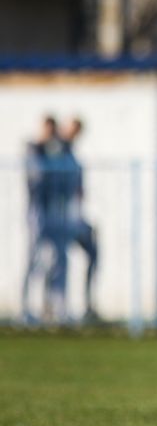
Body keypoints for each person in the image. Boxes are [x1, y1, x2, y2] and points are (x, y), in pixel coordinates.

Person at [23, 116, 77, 323]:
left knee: (59, 259)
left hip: (57, 212)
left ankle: (56, 307)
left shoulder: (60, 151)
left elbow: (68, 180)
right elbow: (37, 179)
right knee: (34, 260)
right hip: (38, 213)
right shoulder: (35, 150)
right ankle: (26, 307)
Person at [61, 118, 100, 321]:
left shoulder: (72, 157)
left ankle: (88, 305)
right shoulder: (56, 153)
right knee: (55, 262)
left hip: (75, 217)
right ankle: (54, 308)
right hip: (57, 218)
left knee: (93, 253)